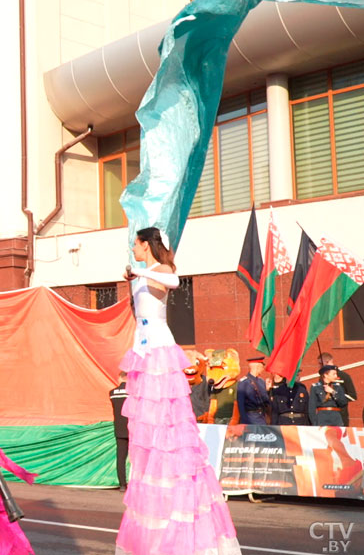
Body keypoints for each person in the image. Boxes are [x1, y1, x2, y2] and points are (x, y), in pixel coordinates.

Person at [116, 227, 240, 555]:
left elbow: (172, 281)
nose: (133, 249)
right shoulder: (142, 275)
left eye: (136, 244)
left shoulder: (161, 269)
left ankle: (178, 501)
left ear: (147, 245)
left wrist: (139, 271)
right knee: (149, 428)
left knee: (170, 419)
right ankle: (157, 505)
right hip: (143, 349)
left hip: (159, 349)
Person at [317, 353, 356, 426]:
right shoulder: (322, 378)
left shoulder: (343, 376)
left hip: (340, 415)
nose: (318, 366)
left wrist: (336, 395)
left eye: (320, 363)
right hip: (325, 416)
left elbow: (353, 396)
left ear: (327, 362)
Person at [109, 371, 129, 491]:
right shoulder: (134, 392)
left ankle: (122, 484)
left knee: (120, 457)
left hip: (119, 428)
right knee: (137, 457)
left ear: (119, 378)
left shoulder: (111, 393)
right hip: (133, 428)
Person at [236, 355, 270, 425]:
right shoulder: (244, 382)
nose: (263, 369)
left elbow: (266, 400)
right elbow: (241, 404)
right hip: (250, 418)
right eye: (262, 366)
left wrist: (269, 390)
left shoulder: (261, 381)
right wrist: (244, 421)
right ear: (257, 367)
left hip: (262, 418)